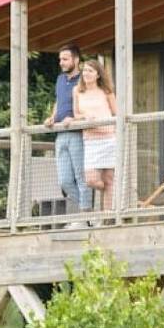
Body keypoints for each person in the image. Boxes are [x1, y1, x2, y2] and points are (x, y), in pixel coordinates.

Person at [45, 45, 94, 214]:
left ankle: (86, 217)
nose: (61, 62)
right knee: (64, 181)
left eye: (65, 59)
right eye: (60, 59)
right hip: (60, 133)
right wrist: (52, 117)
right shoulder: (60, 79)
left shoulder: (84, 79)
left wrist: (74, 119)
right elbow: (58, 101)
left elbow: (90, 105)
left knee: (81, 177)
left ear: (76, 60)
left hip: (78, 133)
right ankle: (88, 213)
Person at [74, 58, 118, 212]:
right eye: (84, 70)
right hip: (90, 140)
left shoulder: (106, 91)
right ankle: (108, 189)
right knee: (91, 180)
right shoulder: (77, 91)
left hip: (108, 138)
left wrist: (112, 128)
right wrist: (85, 117)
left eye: (90, 71)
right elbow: (76, 114)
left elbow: (116, 113)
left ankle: (108, 217)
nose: (86, 73)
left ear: (98, 75)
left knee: (109, 179)